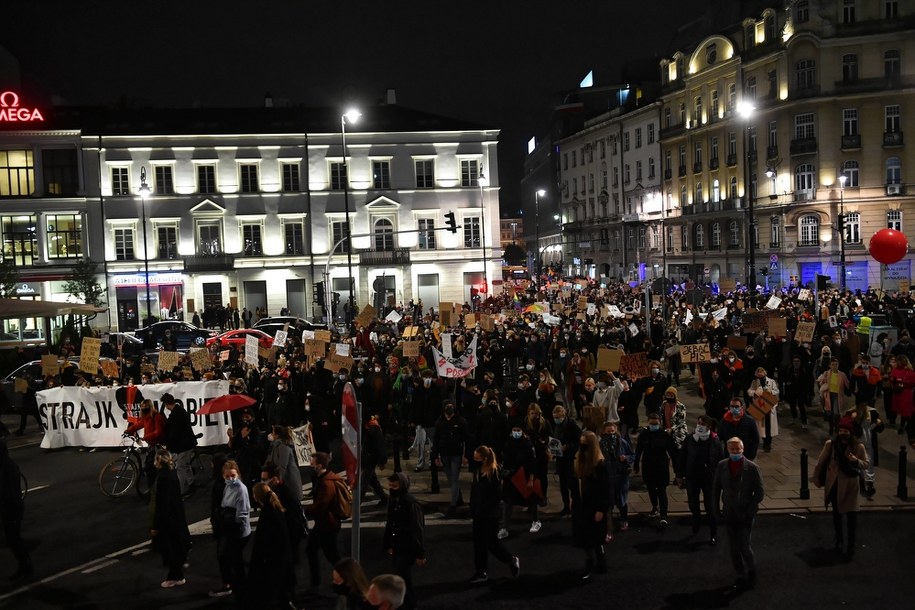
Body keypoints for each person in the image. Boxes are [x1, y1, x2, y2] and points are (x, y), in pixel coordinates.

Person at [812, 415, 868, 558]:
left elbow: (866, 464)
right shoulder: (831, 444)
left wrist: (855, 460)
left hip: (850, 486)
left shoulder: (857, 446)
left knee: (851, 518)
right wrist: (816, 477)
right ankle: (839, 542)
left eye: (845, 431)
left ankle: (850, 545)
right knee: (837, 516)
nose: (843, 433)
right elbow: (821, 461)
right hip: (835, 485)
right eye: (841, 430)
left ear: (851, 432)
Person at [712, 437, 764, 590]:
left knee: (744, 545)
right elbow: (715, 490)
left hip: (745, 514)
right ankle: (740, 574)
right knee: (733, 548)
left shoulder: (752, 468)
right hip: (729, 512)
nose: (735, 452)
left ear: (743, 449)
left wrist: (751, 509)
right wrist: (716, 511)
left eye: (738, 449)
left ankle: (751, 570)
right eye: (732, 449)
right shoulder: (722, 466)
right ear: (728, 450)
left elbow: (759, 493)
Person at [468, 445, 520, 584]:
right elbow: (474, 492)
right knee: (478, 544)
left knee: (492, 543)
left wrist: (484, 509)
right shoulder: (478, 471)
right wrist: (473, 508)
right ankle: (481, 572)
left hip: (490, 514)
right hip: (478, 513)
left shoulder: (495, 473)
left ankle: (510, 559)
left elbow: (495, 496)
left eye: (477, 458)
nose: (474, 461)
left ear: (485, 459)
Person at [676, 415, 724, 545]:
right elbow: (682, 457)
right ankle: (696, 521)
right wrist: (679, 475)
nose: (699, 426)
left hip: (709, 479)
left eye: (702, 424)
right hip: (693, 477)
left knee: (711, 507)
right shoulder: (690, 439)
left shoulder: (715, 441)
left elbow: (721, 460)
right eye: (698, 423)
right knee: (693, 503)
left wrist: (721, 478)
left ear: (708, 426)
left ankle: (713, 532)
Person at [246, 482, 295, 609]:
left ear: (257, 497)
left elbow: (263, 540)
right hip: (283, 556)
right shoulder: (276, 508)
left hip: (274, 559)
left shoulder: (268, 514)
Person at [383, 473, 426, 610]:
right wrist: (388, 543)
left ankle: (410, 604)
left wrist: (420, 553)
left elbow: (417, 528)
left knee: (402, 575)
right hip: (397, 545)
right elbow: (390, 523)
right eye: (390, 486)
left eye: (394, 486)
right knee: (401, 576)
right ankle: (407, 603)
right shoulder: (393, 500)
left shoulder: (411, 503)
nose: (391, 488)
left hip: (408, 547)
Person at [149, 449, 191, 589]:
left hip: (168, 520)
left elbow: (162, 503)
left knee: (169, 549)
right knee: (174, 547)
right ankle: (176, 573)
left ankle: (175, 576)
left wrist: (156, 525)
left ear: (159, 461)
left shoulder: (163, 477)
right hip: (176, 517)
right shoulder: (172, 474)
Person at [573, 431, 611, 581]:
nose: (582, 446)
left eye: (585, 443)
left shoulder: (600, 464)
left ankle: (600, 563)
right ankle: (591, 562)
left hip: (595, 507)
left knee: (595, 538)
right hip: (583, 505)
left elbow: (605, 489)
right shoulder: (581, 460)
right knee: (585, 538)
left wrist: (601, 509)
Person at [304, 451, 343, 587]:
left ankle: (348, 578)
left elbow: (321, 505)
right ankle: (316, 582)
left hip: (327, 524)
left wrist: (303, 510)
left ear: (320, 465)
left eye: (312, 463)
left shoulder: (326, 483)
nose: (310, 465)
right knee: (312, 549)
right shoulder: (321, 478)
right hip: (324, 522)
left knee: (332, 555)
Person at [633, 412, 676, 526]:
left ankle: (663, 515)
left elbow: (671, 450)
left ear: (659, 423)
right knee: (651, 489)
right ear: (648, 423)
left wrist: (676, 467)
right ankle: (655, 507)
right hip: (648, 465)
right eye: (652, 423)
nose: (654, 425)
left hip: (661, 466)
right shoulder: (644, 435)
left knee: (662, 490)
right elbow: (639, 450)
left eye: (656, 423)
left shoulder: (664, 435)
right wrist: (636, 464)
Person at [217, 460, 252, 601]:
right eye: (227, 476)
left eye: (233, 475)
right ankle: (241, 586)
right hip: (231, 528)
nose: (230, 479)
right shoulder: (228, 487)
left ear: (238, 474)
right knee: (234, 559)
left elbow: (242, 513)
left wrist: (232, 524)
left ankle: (241, 588)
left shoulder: (240, 489)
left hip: (238, 531)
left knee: (233, 559)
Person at [261, 461, 307, 565]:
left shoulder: (284, 494)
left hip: (289, 536)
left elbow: (293, 519)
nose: (262, 482)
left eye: (265, 479)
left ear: (275, 479)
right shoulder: (276, 491)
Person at [0, 438, 32, 580]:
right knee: (12, 538)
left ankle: (26, 565)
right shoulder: (5, 465)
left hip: (12, 507)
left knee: (13, 538)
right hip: (9, 506)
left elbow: (9, 490)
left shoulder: (8, 467)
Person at [431, 401, 469, 518]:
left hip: (456, 454)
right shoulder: (439, 422)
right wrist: (435, 456)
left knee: (454, 478)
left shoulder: (461, 421)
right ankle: (458, 498)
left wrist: (465, 455)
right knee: (451, 478)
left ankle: (453, 505)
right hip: (444, 454)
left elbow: (466, 439)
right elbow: (435, 440)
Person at [598, 421, 634, 533]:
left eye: (612, 431)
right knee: (608, 503)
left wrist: (626, 458)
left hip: (620, 477)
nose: (610, 433)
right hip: (606, 477)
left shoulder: (622, 442)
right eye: (608, 431)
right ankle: (608, 525)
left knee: (621, 501)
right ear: (604, 432)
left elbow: (632, 455)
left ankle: (624, 519)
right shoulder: (600, 444)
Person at [161, 393, 198, 495]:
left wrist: (167, 445)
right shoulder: (179, 411)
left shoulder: (176, 414)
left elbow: (174, 432)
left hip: (184, 445)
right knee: (185, 465)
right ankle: (191, 484)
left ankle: (180, 491)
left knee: (180, 467)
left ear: (166, 404)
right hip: (187, 444)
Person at [551, 405, 581, 517]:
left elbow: (579, 442)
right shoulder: (557, 426)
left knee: (573, 485)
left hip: (570, 459)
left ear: (564, 416)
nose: (556, 419)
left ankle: (577, 507)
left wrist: (567, 446)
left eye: (558, 417)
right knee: (563, 485)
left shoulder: (572, 426)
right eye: (554, 417)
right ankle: (566, 506)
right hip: (560, 459)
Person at [268, 425, 303, 507]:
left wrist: (278, 479)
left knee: (292, 505)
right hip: (285, 479)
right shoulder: (277, 445)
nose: (271, 435)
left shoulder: (283, 446)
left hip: (288, 479)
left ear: (277, 435)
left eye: (273, 433)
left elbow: (282, 465)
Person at [748, 367, 780, 451]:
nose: (760, 373)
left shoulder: (771, 381)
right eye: (758, 372)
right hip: (760, 406)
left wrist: (771, 392)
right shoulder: (755, 382)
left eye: (761, 371)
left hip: (769, 405)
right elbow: (749, 391)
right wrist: (754, 393)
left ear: (765, 372)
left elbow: (777, 391)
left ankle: (768, 443)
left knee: (769, 425)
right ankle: (765, 441)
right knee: (762, 426)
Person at [817, 358, 851, 436]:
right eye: (833, 364)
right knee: (829, 413)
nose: (835, 366)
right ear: (830, 365)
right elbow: (820, 382)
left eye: (836, 364)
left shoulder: (842, 374)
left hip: (837, 396)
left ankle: (837, 428)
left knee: (836, 413)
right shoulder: (827, 373)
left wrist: (854, 389)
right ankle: (831, 427)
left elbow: (848, 384)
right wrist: (823, 379)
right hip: (828, 395)